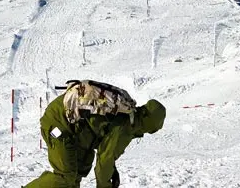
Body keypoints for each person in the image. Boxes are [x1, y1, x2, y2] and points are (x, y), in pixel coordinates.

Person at [25, 80, 166, 188]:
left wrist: (112, 171)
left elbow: (107, 152)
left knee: (75, 176)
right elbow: (104, 163)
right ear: (150, 124)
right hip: (59, 123)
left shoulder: (127, 115)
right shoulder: (126, 126)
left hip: (71, 126)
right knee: (66, 176)